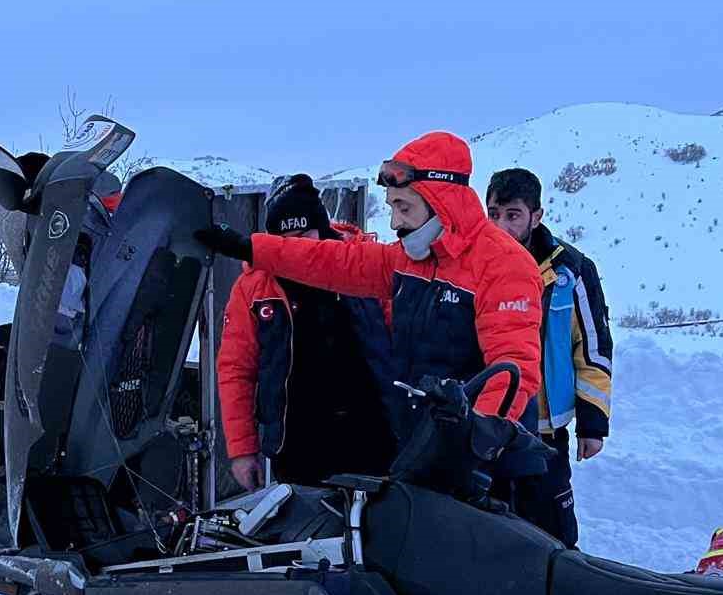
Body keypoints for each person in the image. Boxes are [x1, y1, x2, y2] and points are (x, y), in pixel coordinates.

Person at [196, 131, 542, 442]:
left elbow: (512, 371)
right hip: (421, 446)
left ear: (441, 201)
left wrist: (475, 446)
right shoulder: (409, 259)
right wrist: (249, 248)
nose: (395, 222)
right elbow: (328, 261)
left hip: (483, 462)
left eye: (403, 207)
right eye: (392, 207)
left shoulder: (502, 264)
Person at [216, 174, 397, 489]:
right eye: (287, 240)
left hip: (374, 435)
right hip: (297, 446)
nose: (298, 248)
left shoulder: (366, 265)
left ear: (322, 226)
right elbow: (235, 370)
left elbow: (404, 344)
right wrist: (242, 451)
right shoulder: (253, 288)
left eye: (305, 234)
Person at [485, 167, 613, 546]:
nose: (501, 226)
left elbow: (593, 347)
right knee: (489, 532)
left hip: (544, 430)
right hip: (490, 426)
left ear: (536, 216)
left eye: (513, 215)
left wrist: (592, 423)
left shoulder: (570, 271)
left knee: (552, 534)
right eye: (493, 214)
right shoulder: (477, 264)